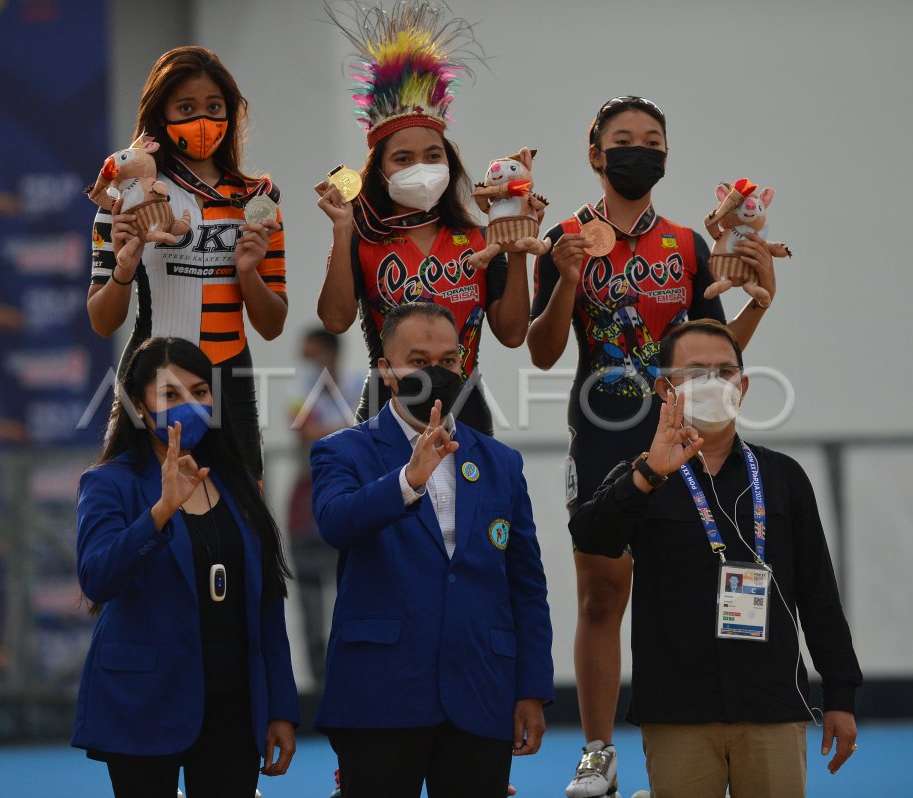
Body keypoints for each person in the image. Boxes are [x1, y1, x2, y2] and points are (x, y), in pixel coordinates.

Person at [525, 95, 780, 798]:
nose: (640, 149)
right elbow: (542, 353)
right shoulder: (564, 237)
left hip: (686, 439)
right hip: (604, 439)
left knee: (689, 592)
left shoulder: (690, 247)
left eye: (653, 140)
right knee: (603, 597)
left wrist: (757, 303)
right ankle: (598, 754)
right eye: (624, 138)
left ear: (665, 156)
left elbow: (715, 361)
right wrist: (568, 277)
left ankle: (700, 739)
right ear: (595, 153)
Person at [568, 319, 862, 798]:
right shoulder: (642, 475)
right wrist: (647, 475)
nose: (714, 384)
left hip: (773, 705)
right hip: (677, 711)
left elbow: (819, 593)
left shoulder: (784, 477)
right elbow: (591, 536)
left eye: (725, 372)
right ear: (665, 388)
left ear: (743, 387)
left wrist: (841, 694)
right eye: (696, 373)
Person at [309, 302, 553, 798]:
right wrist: (406, 481)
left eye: (447, 362)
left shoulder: (501, 463)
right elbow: (336, 522)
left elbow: (527, 585)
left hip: (480, 694)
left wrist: (532, 689)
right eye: (419, 362)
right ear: (387, 371)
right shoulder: (342, 450)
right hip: (379, 694)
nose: (436, 374)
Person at [72, 337, 298, 798]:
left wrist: (281, 708)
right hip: (142, 702)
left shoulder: (238, 483)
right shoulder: (108, 483)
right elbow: (97, 577)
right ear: (139, 405)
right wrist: (159, 513)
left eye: (200, 392)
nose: (190, 406)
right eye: (171, 395)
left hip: (233, 705)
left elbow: (267, 603)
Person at [315, 0, 531, 437]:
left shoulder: (478, 237)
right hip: (384, 413)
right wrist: (342, 230)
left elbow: (511, 334)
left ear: (449, 164)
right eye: (404, 158)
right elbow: (335, 320)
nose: (422, 166)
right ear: (380, 171)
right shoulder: (364, 239)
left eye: (433, 156)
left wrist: (518, 252)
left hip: (466, 411)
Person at [86, 46, 288, 480]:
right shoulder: (126, 196)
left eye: (214, 107)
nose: (202, 120)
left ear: (231, 114)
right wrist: (123, 270)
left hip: (228, 377)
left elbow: (272, 325)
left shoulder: (259, 199)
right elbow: (102, 322)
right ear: (161, 115)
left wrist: (248, 272)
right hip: (149, 378)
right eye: (186, 108)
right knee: (141, 508)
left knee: (241, 517)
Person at [285, 327, 361, 687]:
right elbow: (304, 430)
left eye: (310, 355)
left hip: (352, 504)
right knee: (311, 608)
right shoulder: (299, 389)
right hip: (306, 510)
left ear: (330, 353)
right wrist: (348, 427)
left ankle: (355, 682)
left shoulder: (360, 384)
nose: (304, 364)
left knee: (357, 598)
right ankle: (320, 688)